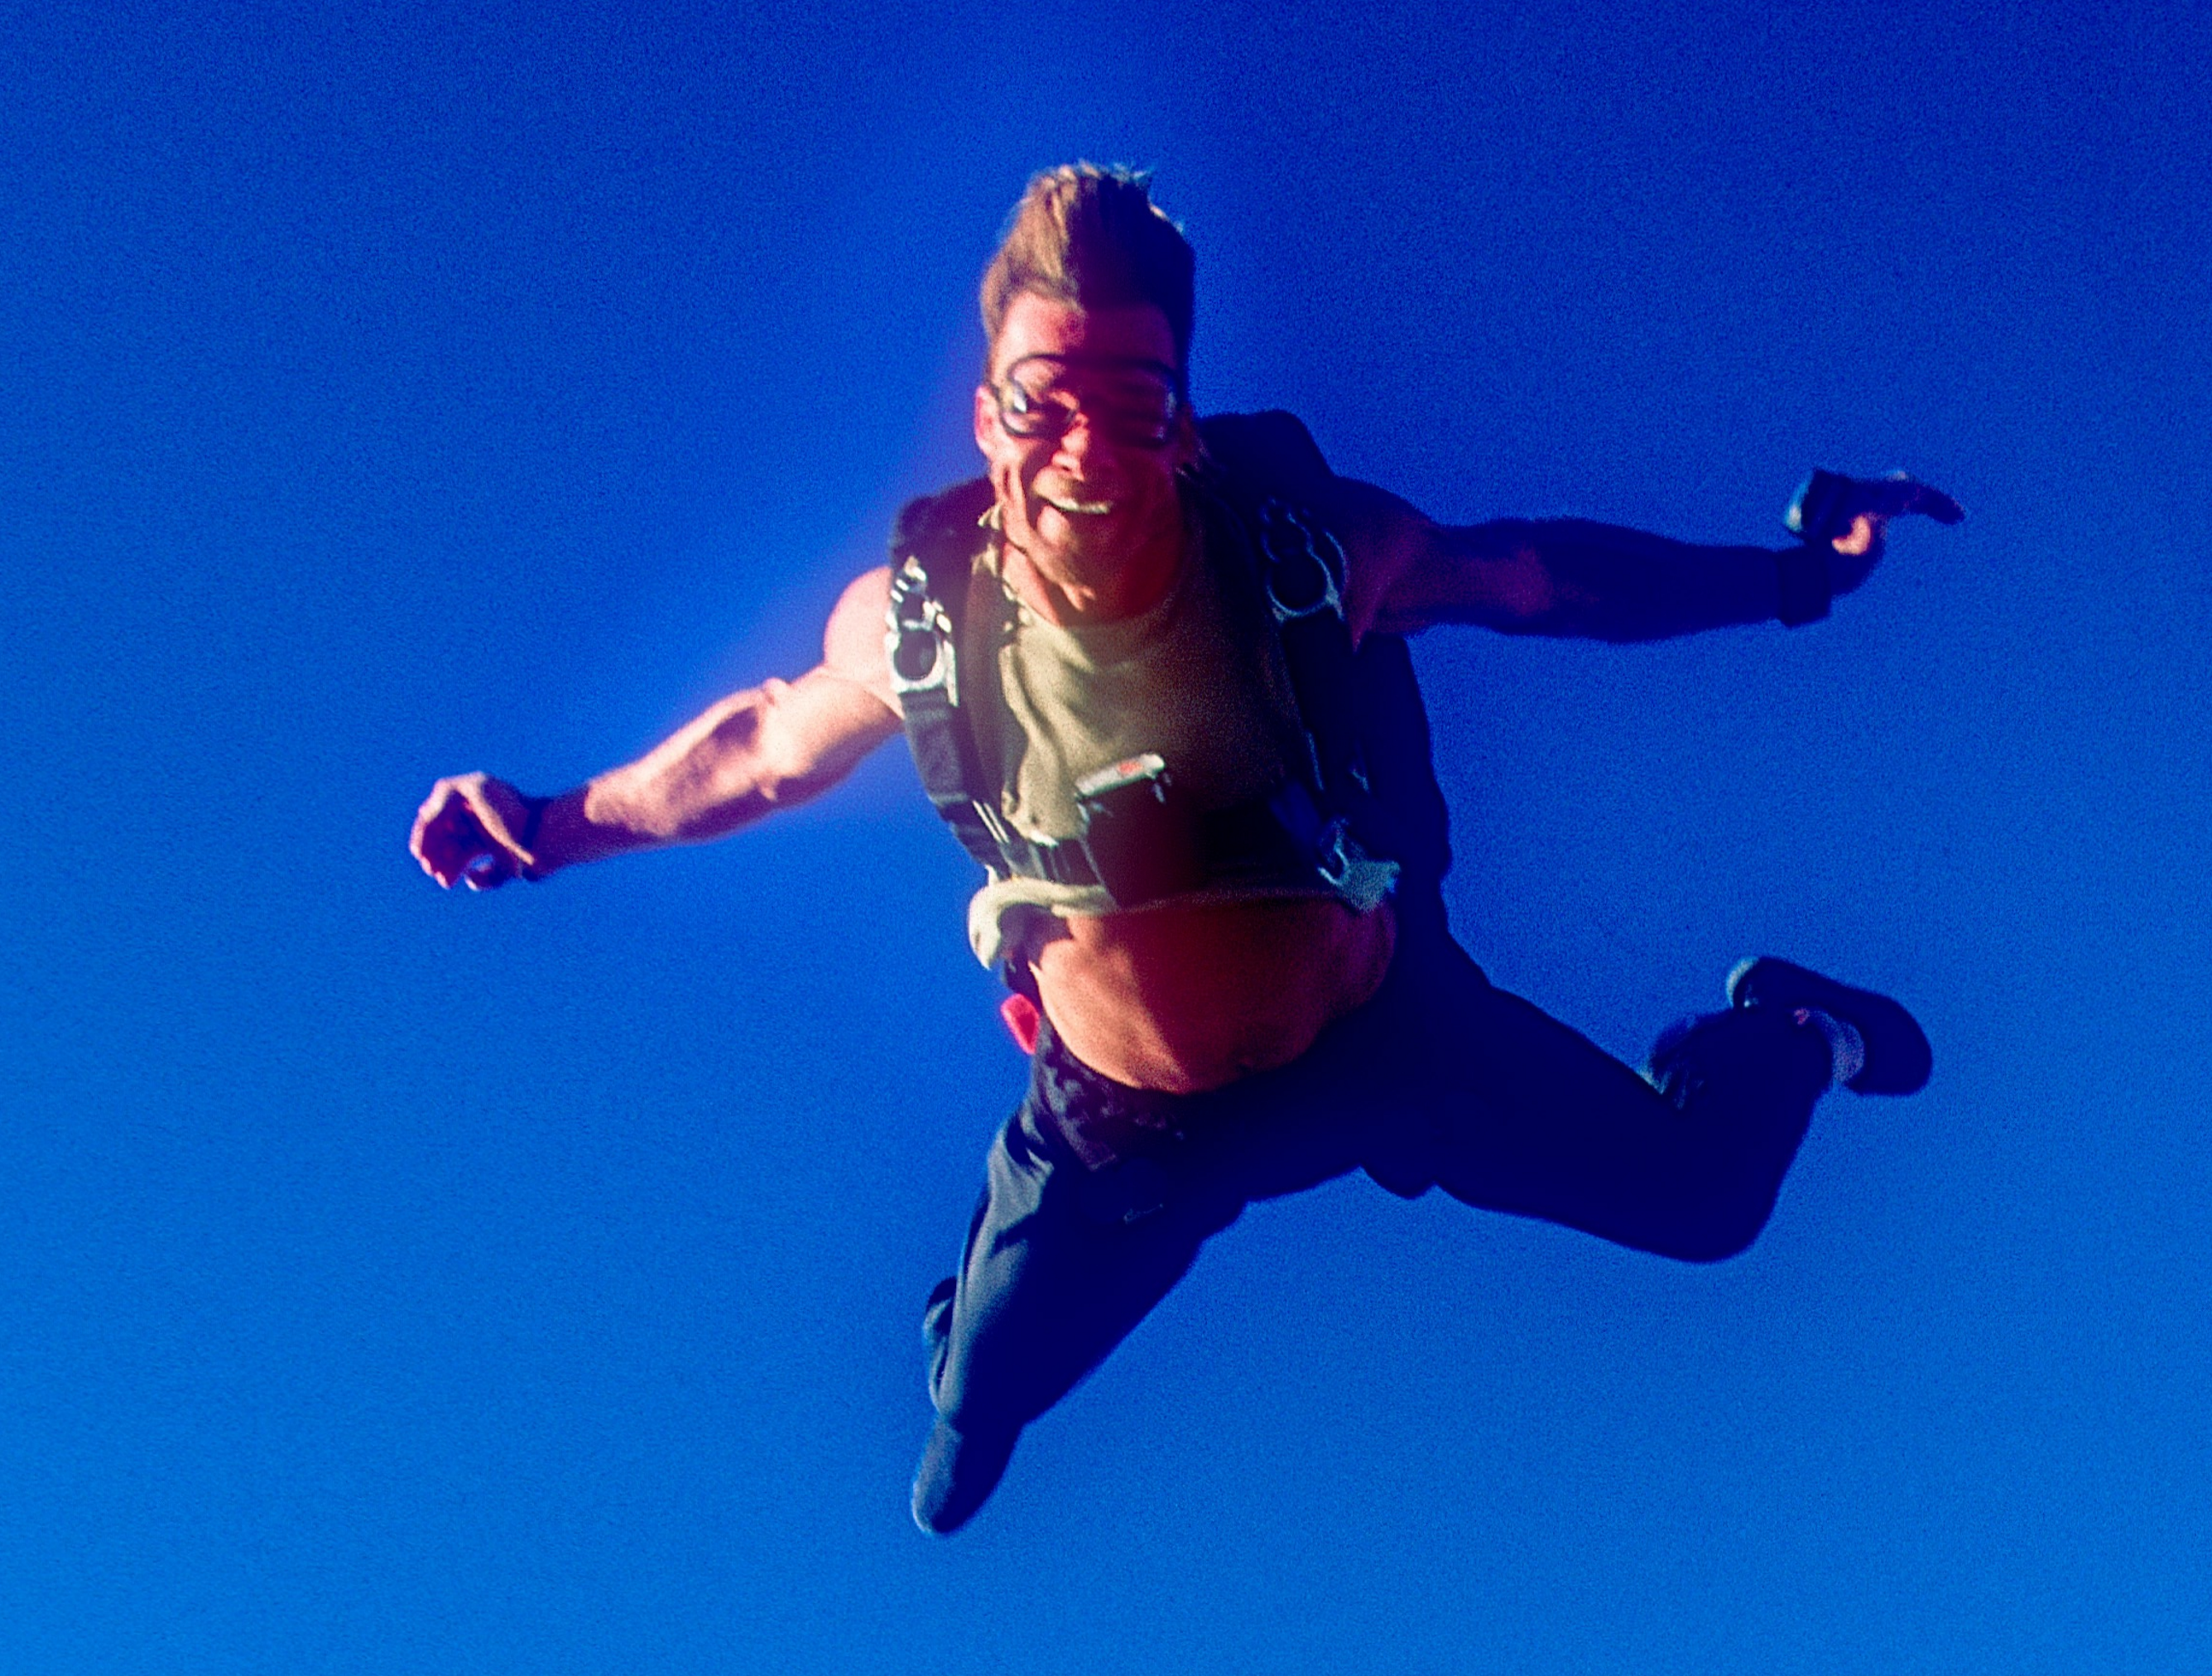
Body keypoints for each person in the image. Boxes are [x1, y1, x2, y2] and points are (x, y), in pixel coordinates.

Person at [410, 165, 1964, 1535]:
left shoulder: (1305, 552)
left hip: (1386, 1042)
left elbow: (1539, 580)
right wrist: (547, 827)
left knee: (1705, 1203)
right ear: (987, 413)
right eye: (1044, 403)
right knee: (964, 1439)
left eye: (1134, 406)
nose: (1085, 451)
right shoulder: (924, 626)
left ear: (1185, 414)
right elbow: (754, 746)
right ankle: (974, 1360)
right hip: (1128, 1137)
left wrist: (1794, 579)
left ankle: (1783, 1031)